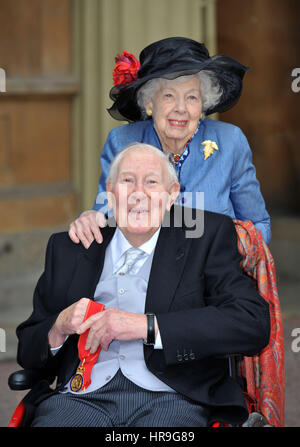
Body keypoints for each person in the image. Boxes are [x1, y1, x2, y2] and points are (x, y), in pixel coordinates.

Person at [16, 144, 270, 427]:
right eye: (127, 181)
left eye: (151, 181)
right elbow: (27, 348)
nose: (139, 193)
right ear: (110, 194)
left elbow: (252, 323)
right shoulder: (70, 248)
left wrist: (147, 326)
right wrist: (58, 326)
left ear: (171, 193)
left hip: (174, 398)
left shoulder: (205, 238)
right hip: (79, 398)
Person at [69, 36, 271, 250]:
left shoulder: (230, 141)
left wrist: (227, 253)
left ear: (203, 103)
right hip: (147, 276)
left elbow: (259, 224)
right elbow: (105, 217)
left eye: (192, 97)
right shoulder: (122, 142)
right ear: (149, 102)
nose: (181, 108)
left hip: (213, 275)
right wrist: (90, 218)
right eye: (168, 95)